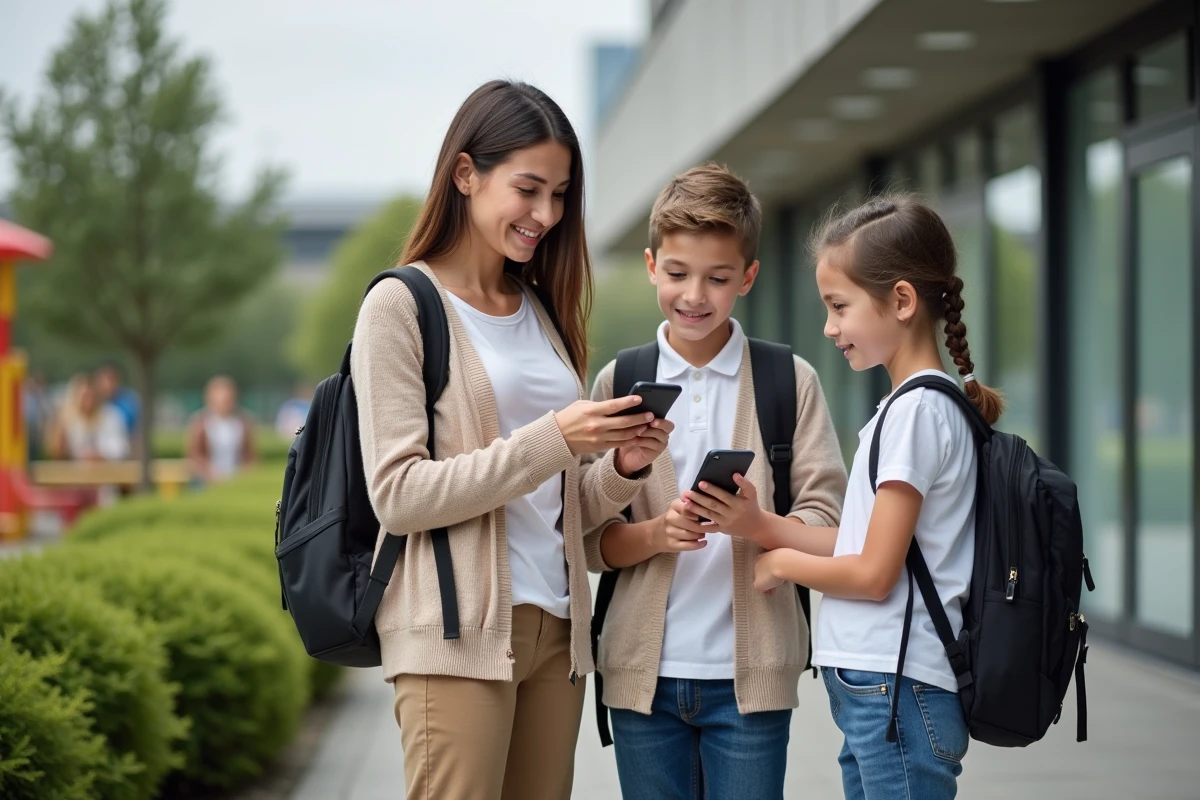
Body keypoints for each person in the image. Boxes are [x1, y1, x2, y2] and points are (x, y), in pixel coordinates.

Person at [351, 79, 670, 800]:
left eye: (559, 195)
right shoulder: (400, 306)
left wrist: (620, 466)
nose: (546, 214)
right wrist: (553, 437)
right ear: (466, 174)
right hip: (456, 637)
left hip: (557, 628)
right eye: (529, 189)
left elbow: (562, 503)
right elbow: (399, 495)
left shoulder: (540, 311)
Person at [585, 163, 848, 799]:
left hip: (750, 685)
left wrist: (758, 525)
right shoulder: (619, 384)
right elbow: (590, 541)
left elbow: (834, 526)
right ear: (651, 266)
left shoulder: (790, 382)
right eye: (677, 273)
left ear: (748, 278)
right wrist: (653, 526)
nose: (694, 294)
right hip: (640, 682)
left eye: (718, 277)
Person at [754, 195, 1005, 800]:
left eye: (839, 307)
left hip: (897, 691)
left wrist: (782, 564)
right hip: (885, 690)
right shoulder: (914, 407)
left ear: (900, 300)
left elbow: (871, 573)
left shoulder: (917, 413)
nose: (829, 326)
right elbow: (862, 542)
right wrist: (761, 524)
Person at [185, 375, 257, 483]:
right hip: (207, 480)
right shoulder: (200, 422)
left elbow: (251, 456)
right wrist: (210, 472)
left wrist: (243, 472)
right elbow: (193, 456)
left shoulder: (244, 422)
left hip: (237, 478)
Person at [93, 363, 140, 439]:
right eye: (103, 381)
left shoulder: (128, 402)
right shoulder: (92, 402)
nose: (107, 385)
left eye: (111, 380)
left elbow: (135, 430)